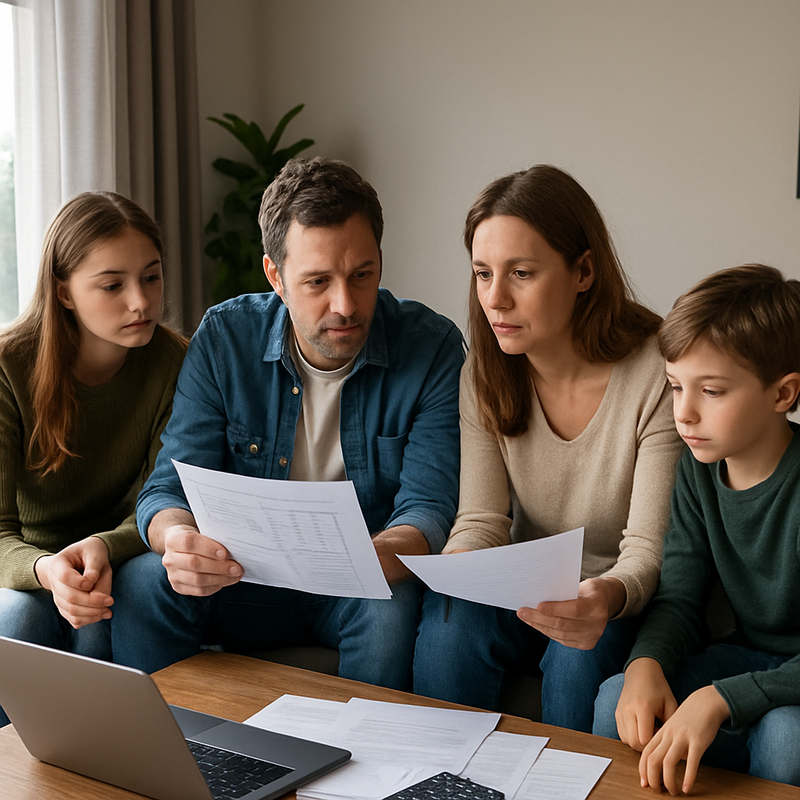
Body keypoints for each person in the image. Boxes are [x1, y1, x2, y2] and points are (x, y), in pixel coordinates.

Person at [110, 157, 464, 691]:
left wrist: (379, 554)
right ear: (275, 275)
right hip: (237, 577)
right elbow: (169, 486)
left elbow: (431, 506)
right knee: (142, 582)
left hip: (358, 582)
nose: (345, 305)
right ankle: (168, 763)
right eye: (318, 281)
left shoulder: (431, 346)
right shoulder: (226, 337)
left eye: (362, 275)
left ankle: (366, 770)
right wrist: (178, 537)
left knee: (389, 606)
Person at [413, 164, 684, 731]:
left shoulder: (657, 372)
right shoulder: (485, 372)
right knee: (449, 626)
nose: (496, 299)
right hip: (525, 587)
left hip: (617, 596)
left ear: (583, 270)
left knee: (576, 652)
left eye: (521, 273)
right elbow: (483, 520)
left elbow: (646, 552)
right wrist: (460, 566)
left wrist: (600, 597)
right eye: (483, 273)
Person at [593, 265, 800, 791]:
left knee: (786, 738)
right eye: (674, 386)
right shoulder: (698, 471)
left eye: (710, 391)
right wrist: (646, 662)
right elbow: (680, 595)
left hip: (792, 682)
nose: (682, 413)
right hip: (744, 657)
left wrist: (724, 697)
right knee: (618, 696)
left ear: (782, 394)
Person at [0, 191, 187, 726]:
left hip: (114, 556)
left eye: (151, 277)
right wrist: (44, 569)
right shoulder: (8, 367)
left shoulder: (174, 360)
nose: (141, 302)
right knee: (19, 618)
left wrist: (105, 546)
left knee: (111, 606)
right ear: (63, 291)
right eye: (113, 285)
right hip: (26, 564)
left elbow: (167, 498)